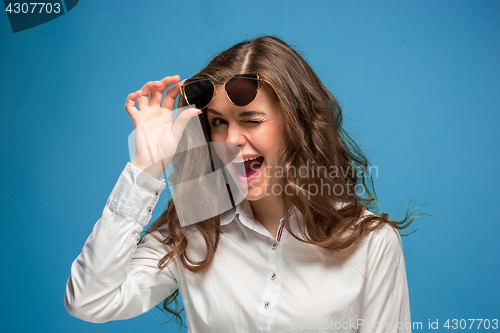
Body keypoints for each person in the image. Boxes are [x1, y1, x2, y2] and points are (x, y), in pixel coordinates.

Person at [64, 36, 414, 333]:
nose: (230, 139)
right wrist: (147, 165)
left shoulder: (371, 243)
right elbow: (90, 301)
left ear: (297, 124)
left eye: (251, 119)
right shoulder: (196, 225)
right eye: (218, 123)